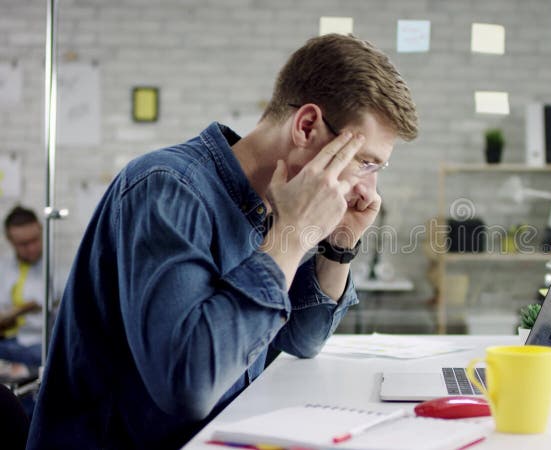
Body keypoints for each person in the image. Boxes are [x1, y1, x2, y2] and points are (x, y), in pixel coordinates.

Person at [27, 34, 418, 449]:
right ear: (307, 126)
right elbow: (189, 385)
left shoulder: (274, 201)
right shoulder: (168, 188)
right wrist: (288, 236)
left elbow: (301, 341)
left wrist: (339, 245)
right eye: (366, 163)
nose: (369, 188)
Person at [0, 206, 45, 370]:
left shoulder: (57, 269)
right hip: (9, 342)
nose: (32, 248)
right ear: (10, 240)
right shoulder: (4, 268)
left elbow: (37, 303)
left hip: (38, 343)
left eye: (35, 240)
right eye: (23, 244)